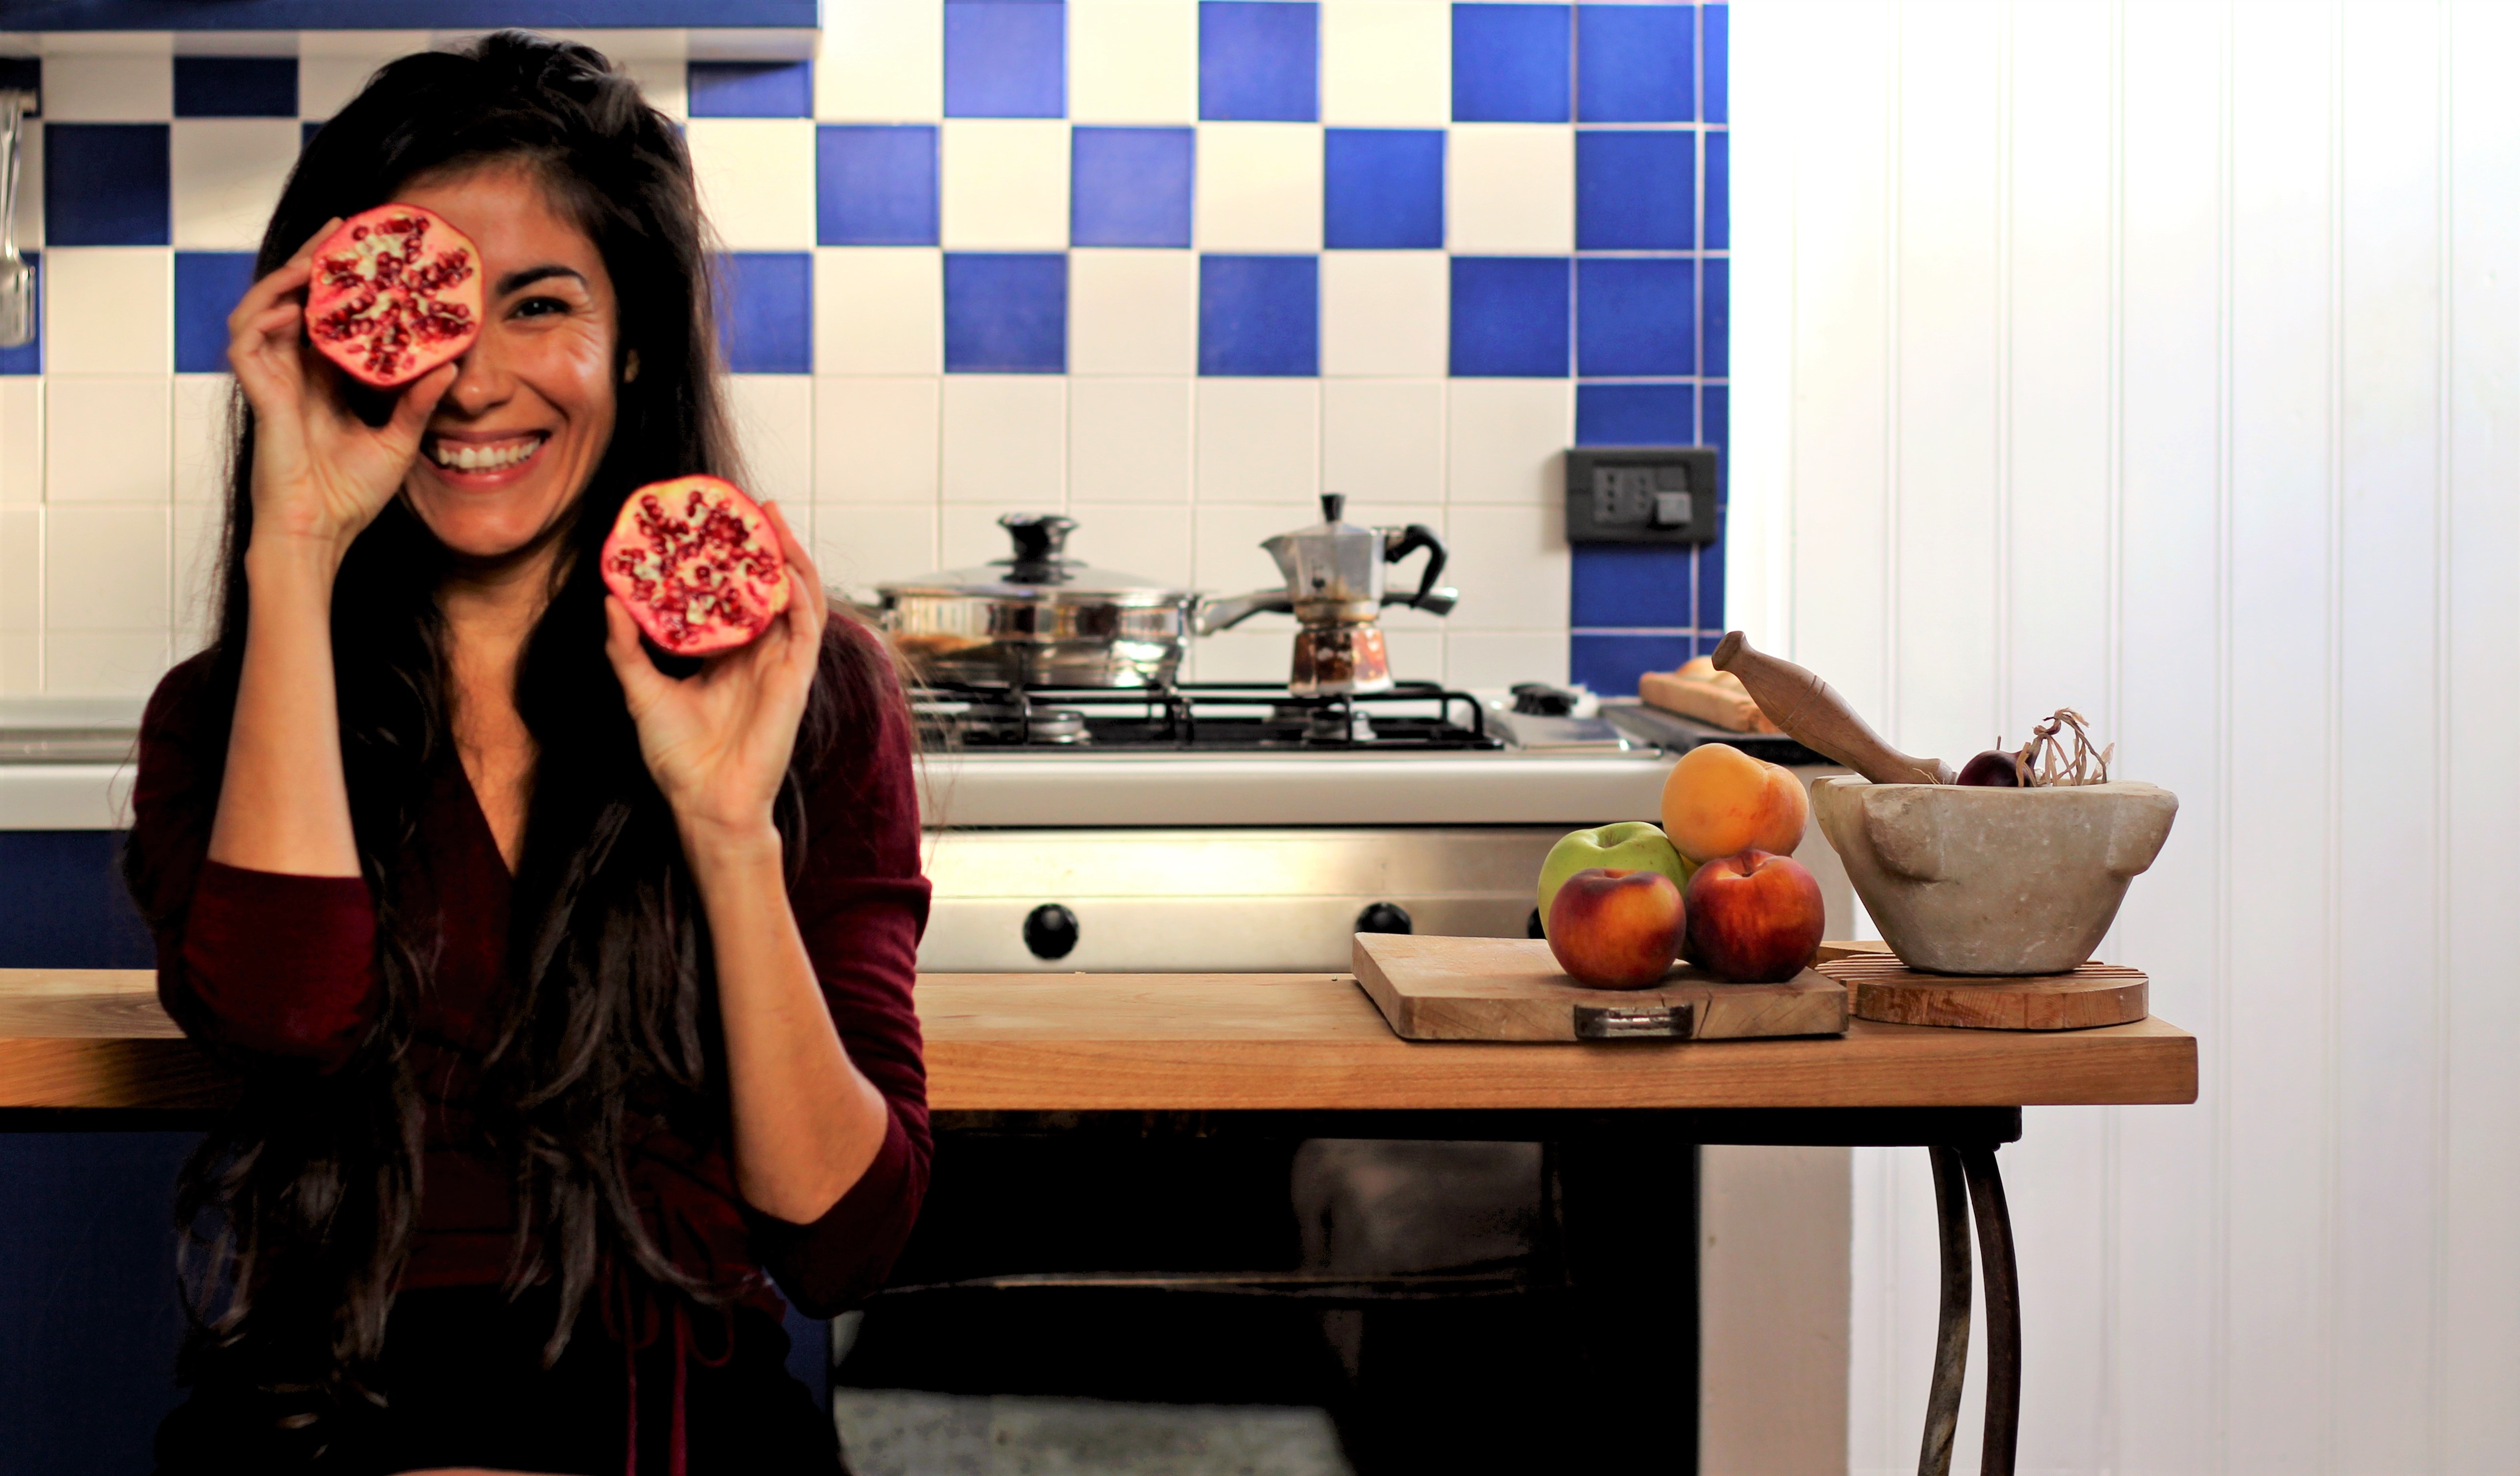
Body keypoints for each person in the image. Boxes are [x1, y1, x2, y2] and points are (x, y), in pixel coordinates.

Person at [121, 31, 929, 1475]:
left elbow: (840, 1244)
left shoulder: (806, 697)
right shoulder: (222, 717)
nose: (474, 382)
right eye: (424, 314)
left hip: (679, 1422)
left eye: (541, 304)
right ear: (327, 337)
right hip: (319, 1420)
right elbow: (285, 1020)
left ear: (634, 343)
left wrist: (727, 832)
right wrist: (295, 544)